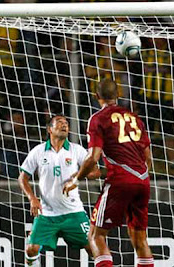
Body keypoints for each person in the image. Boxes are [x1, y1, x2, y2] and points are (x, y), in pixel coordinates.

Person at [63, 79, 154, 267]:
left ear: (97, 97)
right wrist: (138, 178)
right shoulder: (135, 118)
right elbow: (148, 157)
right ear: (118, 94)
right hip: (143, 180)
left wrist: (76, 179)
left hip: (120, 180)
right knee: (140, 239)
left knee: (96, 235)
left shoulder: (98, 118)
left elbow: (93, 156)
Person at [18, 115, 101, 266]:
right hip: (47, 214)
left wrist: (79, 176)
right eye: (60, 123)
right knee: (31, 249)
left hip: (73, 212)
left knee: (94, 248)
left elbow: (96, 172)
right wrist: (32, 198)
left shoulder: (76, 150)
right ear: (49, 129)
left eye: (66, 124)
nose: (64, 126)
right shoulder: (38, 151)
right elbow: (22, 178)